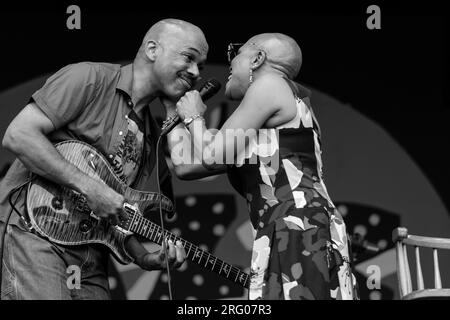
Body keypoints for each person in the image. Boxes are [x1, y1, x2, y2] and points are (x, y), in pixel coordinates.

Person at [0, 18, 208, 300]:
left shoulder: (151, 134)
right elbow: (18, 135)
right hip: (34, 236)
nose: (195, 72)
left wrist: (144, 258)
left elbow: (116, 212)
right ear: (152, 49)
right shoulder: (88, 78)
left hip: (91, 257)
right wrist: (90, 187)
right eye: (189, 57)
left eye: (201, 66)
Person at [166, 33, 356, 300]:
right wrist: (170, 110)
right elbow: (186, 166)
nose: (229, 62)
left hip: (296, 226)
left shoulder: (270, 84)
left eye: (237, 53)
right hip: (293, 228)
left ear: (257, 58)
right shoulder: (270, 124)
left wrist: (194, 116)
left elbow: (210, 154)